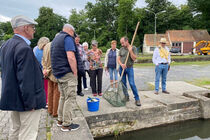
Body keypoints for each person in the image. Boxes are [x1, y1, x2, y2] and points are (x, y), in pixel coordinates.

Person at [0, 15, 46, 140]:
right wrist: (31, 103)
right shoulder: (24, 48)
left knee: (15, 129)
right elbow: (25, 79)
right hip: (26, 101)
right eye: (33, 27)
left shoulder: (6, 45)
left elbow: (8, 72)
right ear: (26, 28)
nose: (34, 30)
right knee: (28, 134)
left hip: (13, 98)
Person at [51, 24, 84, 132]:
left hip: (58, 73)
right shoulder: (68, 38)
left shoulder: (56, 39)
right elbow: (71, 57)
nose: (74, 36)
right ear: (71, 31)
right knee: (70, 98)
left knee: (63, 97)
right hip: (67, 73)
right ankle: (67, 124)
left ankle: (60, 120)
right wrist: (75, 72)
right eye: (74, 33)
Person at [118, 37, 141, 106]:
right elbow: (118, 59)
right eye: (121, 43)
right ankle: (126, 96)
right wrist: (121, 64)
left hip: (129, 68)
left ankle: (137, 99)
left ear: (127, 41)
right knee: (123, 84)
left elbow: (134, 58)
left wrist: (130, 51)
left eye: (123, 43)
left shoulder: (133, 48)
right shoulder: (121, 49)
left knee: (132, 83)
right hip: (122, 68)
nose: (122, 44)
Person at [42, 42, 60, 117]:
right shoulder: (55, 45)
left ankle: (50, 110)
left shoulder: (46, 46)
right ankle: (55, 112)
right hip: (54, 72)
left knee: (50, 92)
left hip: (47, 73)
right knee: (56, 93)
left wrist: (45, 70)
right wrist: (48, 70)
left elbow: (43, 60)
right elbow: (55, 61)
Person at [33, 37, 50, 106]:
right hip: (43, 71)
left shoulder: (35, 48)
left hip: (35, 71)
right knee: (45, 87)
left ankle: (38, 101)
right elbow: (43, 63)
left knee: (39, 88)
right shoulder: (42, 51)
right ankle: (46, 102)